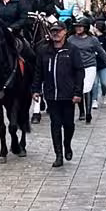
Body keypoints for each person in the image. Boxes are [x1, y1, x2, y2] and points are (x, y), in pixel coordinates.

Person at [34, 20, 81, 168]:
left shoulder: (72, 50)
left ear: (65, 32)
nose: (55, 33)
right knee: (55, 124)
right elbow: (38, 71)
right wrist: (35, 89)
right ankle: (58, 155)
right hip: (51, 94)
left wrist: (77, 92)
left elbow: (79, 72)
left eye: (58, 31)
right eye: (53, 31)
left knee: (69, 124)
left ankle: (67, 144)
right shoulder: (43, 51)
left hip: (68, 95)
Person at [67, 17, 106, 121]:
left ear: (86, 27)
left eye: (80, 26)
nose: (78, 28)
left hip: (90, 66)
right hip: (76, 67)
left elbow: (101, 52)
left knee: (87, 88)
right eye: (76, 26)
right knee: (79, 88)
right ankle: (81, 111)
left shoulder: (92, 39)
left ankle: (88, 112)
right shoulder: (71, 39)